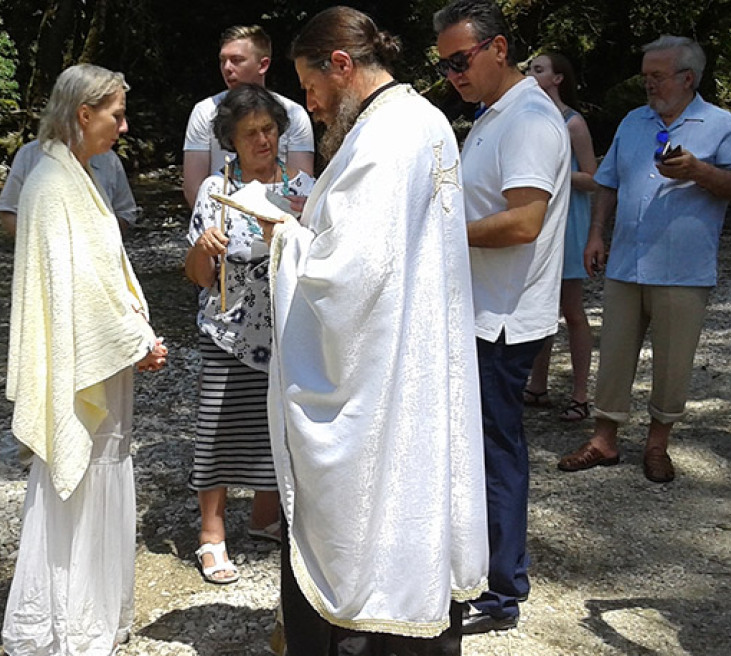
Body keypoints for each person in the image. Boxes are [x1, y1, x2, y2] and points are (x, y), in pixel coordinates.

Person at [262, 7, 488, 653]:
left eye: (311, 87)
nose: (312, 104)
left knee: (372, 516)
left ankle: (362, 622)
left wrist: (286, 240)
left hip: (386, 373)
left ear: (341, 64)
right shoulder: (424, 119)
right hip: (418, 352)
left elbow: (348, 278)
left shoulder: (384, 136)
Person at [1, 63, 168, 655]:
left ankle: (90, 613)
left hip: (99, 356)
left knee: (100, 470)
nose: (123, 126)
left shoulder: (76, 172)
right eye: (117, 114)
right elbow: (73, 289)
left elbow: (97, 276)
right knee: (81, 473)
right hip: (84, 361)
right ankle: (70, 622)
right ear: (84, 113)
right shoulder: (50, 183)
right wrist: (137, 340)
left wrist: (133, 331)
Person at [557, 35, 731, 483]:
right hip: (628, 261)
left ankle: (657, 443)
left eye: (657, 76)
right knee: (615, 354)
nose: (647, 84)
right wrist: (595, 235)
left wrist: (699, 171)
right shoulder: (632, 122)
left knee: (673, 360)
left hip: (683, 268)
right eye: (645, 75)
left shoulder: (722, 126)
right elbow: (607, 182)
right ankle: (604, 440)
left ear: (688, 78)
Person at [434, 0, 571, 635]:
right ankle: (483, 572)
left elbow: (524, 222)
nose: (454, 74)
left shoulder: (530, 119)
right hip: (483, 311)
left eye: (461, 60)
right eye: (445, 66)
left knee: (495, 451)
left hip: (506, 318)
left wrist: (440, 235)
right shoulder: (493, 115)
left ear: (499, 48)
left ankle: (501, 591)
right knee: (480, 449)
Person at [183, 83, 314, 585]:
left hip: (286, 329)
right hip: (227, 330)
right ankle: (211, 534)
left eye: (269, 129)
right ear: (230, 142)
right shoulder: (217, 195)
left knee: (278, 428)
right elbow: (196, 275)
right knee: (216, 429)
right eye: (250, 133)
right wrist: (203, 248)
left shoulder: (304, 189)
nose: (263, 140)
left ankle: (265, 517)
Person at [524, 52, 599, 422]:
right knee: (540, 308)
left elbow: (594, 177)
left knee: (572, 310)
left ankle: (581, 395)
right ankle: (537, 386)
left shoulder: (573, 124)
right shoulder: (528, 119)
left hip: (569, 225)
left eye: (538, 69)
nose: (529, 74)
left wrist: (554, 177)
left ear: (557, 79)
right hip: (540, 224)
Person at [182, 25, 315, 208]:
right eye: (223, 61)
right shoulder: (204, 112)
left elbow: (302, 188)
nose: (227, 68)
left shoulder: (294, 113)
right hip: (221, 215)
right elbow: (193, 187)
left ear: (263, 65)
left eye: (237, 60)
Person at [0, 139, 139, 237]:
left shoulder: (109, 159)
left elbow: (126, 212)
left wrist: (102, 239)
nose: (123, 127)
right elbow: (8, 210)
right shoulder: (29, 154)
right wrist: (37, 245)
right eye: (115, 116)